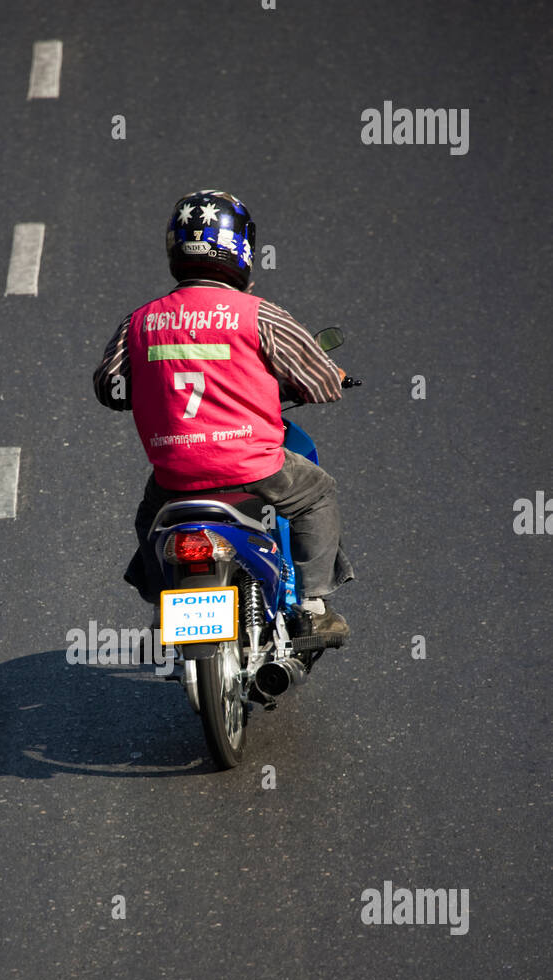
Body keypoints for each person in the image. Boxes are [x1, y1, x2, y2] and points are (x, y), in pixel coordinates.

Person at [92, 189, 354, 642]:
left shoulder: (140, 321)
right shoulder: (260, 316)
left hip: (175, 476)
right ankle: (312, 606)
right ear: (243, 250)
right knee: (318, 495)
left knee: (149, 519)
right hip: (254, 470)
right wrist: (329, 379)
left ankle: (162, 602)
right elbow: (322, 384)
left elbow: (109, 388)